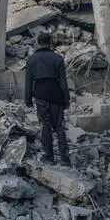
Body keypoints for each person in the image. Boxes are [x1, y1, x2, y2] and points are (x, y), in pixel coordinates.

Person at [25, 32, 71, 166]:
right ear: (50, 42)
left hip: (40, 94)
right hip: (56, 93)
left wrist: (27, 99)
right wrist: (66, 99)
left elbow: (28, 82)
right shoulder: (58, 58)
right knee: (59, 126)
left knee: (45, 126)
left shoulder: (31, 60)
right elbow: (63, 81)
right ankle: (64, 158)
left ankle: (49, 157)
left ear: (38, 43)